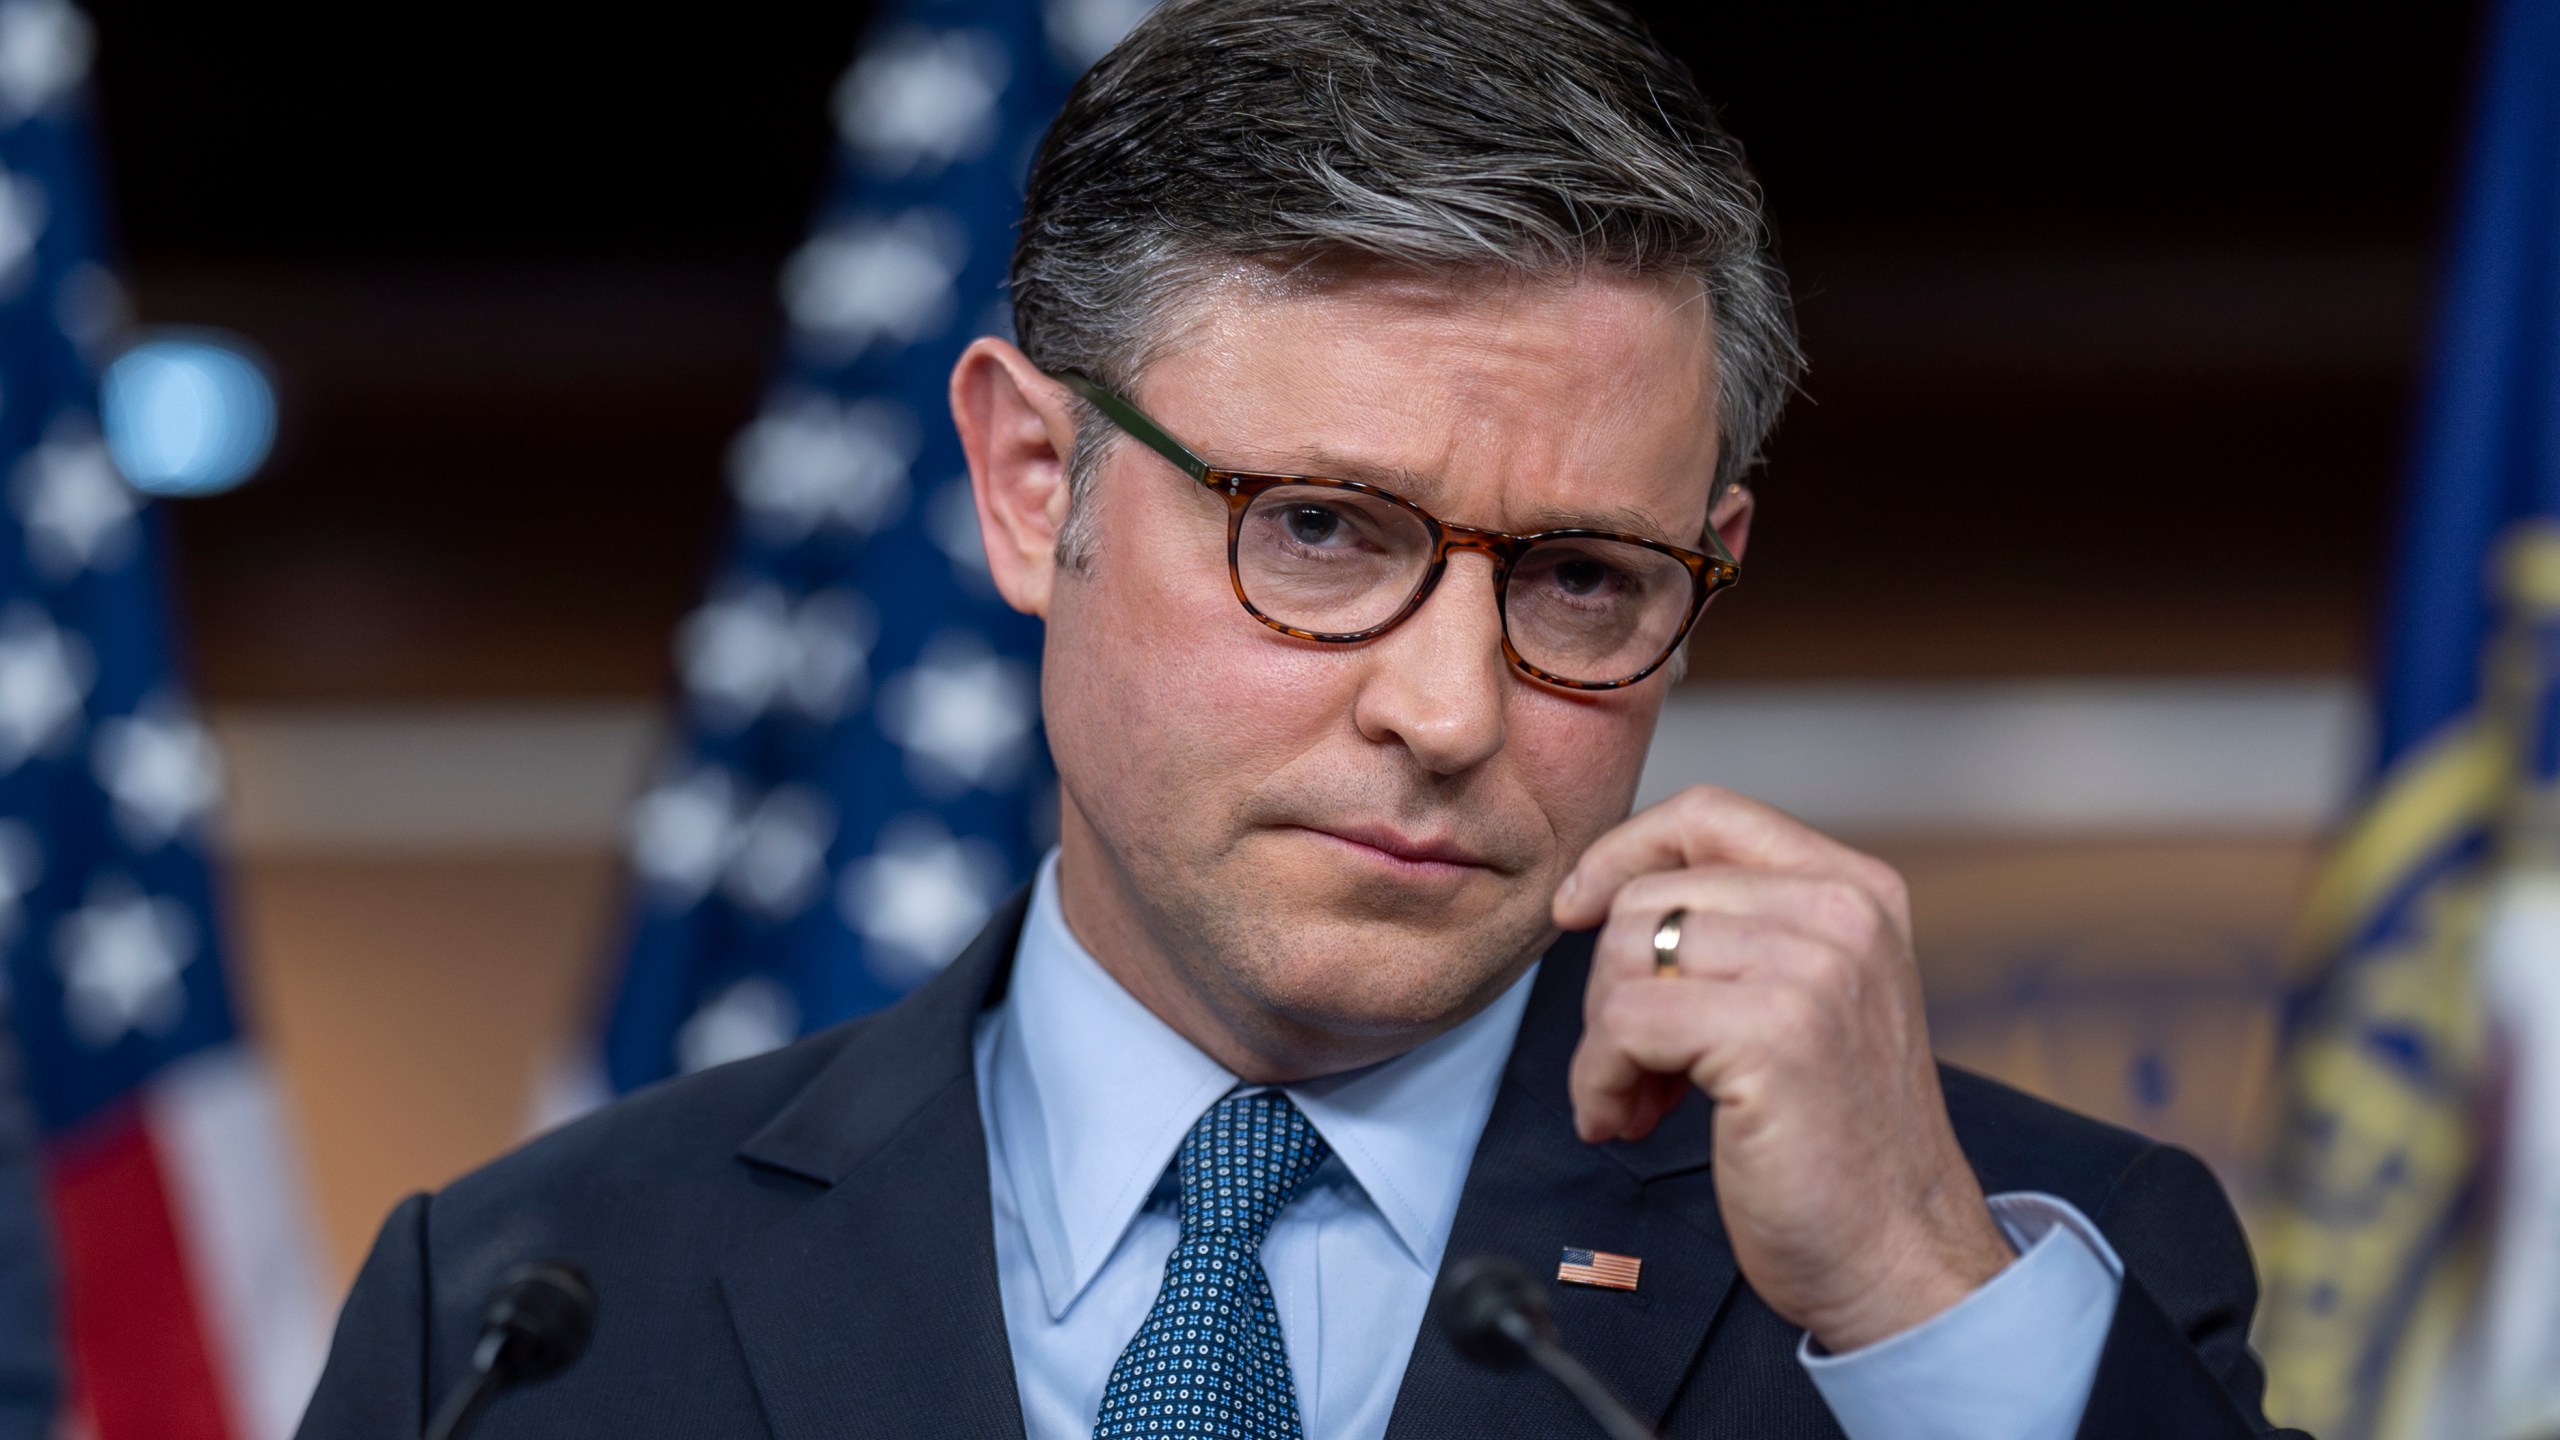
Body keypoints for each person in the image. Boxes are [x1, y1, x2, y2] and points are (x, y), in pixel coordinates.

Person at [296, 1, 2303, 1435]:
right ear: (1026, 483)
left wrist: (1907, 1318)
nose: (1445, 710)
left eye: (1579, 581)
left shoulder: (2016, 1286)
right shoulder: (523, 1318)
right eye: (1322, 530)